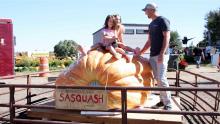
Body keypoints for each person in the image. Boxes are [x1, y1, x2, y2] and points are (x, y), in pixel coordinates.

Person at [135, 3, 172, 110]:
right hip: (153, 55)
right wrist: (141, 52)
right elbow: (149, 41)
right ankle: (162, 101)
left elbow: (167, 37)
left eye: (145, 11)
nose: (145, 13)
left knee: (161, 78)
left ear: (151, 9)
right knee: (158, 79)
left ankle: (168, 103)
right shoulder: (151, 24)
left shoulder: (163, 20)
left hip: (162, 55)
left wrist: (161, 53)